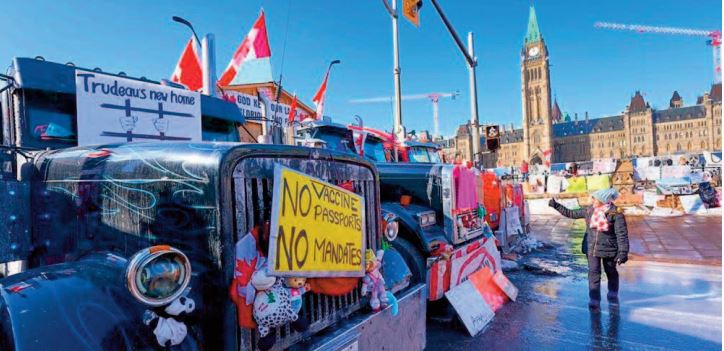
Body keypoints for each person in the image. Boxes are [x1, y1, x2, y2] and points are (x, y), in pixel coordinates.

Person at [549, 188, 629, 310]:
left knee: (611, 271)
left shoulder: (615, 213)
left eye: (595, 198)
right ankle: (594, 299)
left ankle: (612, 292)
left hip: (609, 249)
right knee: (593, 274)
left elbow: (621, 234)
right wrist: (556, 205)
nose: (592, 200)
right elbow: (571, 213)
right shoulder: (589, 211)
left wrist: (623, 252)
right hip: (591, 248)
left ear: (603, 200)